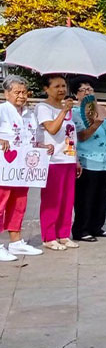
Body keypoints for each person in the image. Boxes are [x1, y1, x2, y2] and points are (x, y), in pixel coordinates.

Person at [0, 76, 46, 261]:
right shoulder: (2, 110)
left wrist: (42, 147)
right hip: (4, 167)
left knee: (19, 202)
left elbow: (34, 136)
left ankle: (16, 241)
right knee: (1, 203)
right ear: (7, 93)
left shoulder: (29, 113)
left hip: (23, 168)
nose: (21, 96)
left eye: (24, 92)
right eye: (17, 92)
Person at [71, 80, 106, 242]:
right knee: (85, 198)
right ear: (76, 94)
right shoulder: (75, 113)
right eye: (82, 89)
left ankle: (97, 227)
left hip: (105, 161)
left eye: (90, 89)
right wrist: (97, 122)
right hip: (87, 161)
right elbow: (81, 136)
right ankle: (81, 230)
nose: (87, 92)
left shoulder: (101, 110)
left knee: (102, 197)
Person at [35, 74, 78, 251]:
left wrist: (77, 160)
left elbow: (71, 135)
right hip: (52, 161)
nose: (61, 89)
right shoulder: (42, 107)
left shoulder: (67, 109)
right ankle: (49, 236)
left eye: (63, 86)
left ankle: (63, 234)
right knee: (52, 200)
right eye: (56, 86)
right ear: (46, 89)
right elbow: (52, 129)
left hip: (68, 158)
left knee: (67, 200)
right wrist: (63, 111)